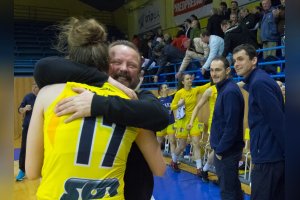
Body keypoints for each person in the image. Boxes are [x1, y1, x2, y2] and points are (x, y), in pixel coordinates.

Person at [26, 17, 166, 200]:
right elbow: (160, 168)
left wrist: (97, 103)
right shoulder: (134, 105)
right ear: (105, 63)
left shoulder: (47, 93)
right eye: (118, 62)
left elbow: (31, 171)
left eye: (131, 65)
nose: (124, 69)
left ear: (140, 74)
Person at [233, 44, 285, 200]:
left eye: (241, 59)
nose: (236, 64)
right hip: (271, 156)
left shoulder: (259, 83)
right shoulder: (258, 80)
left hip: (268, 159)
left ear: (254, 60)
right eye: (234, 60)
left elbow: (278, 122)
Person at [210, 56, 245, 200]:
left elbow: (231, 126)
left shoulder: (229, 91)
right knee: (233, 188)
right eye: (212, 70)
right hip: (226, 150)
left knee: (227, 192)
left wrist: (220, 150)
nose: (214, 74)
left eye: (218, 70)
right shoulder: (224, 89)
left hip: (226, 152)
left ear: (228, 71)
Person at [170, 74, 211, 175]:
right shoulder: (179, 93)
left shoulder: (195, 90)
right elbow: (172, 106)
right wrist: (179, 104)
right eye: (187, 79)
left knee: (196, 143)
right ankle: (174, 161)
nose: (190, 80)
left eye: (190, 79)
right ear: (183, 82)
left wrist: (214, 80)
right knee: (182, 145)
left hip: (194, 121)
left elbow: (206, 86)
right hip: (182, 122)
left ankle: (199, 168)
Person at [187, 81, 217, 183]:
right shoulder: (211, 90)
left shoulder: (229, 87)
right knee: (218, 150)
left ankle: (206, 170)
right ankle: (204, 169)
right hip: (215, 125)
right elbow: (198, 107)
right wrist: (191, 121)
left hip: (228, 125)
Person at [16, 81, 39, 181]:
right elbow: (19, 110)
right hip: (27, 127)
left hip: (40, 129)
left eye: (36, 86)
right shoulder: (27, 97)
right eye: (33, 86)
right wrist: (24, 109)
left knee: (42, 149)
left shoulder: (43, 97)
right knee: (24, 148)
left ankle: (42, 170)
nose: (34, 88)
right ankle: (22, 170)